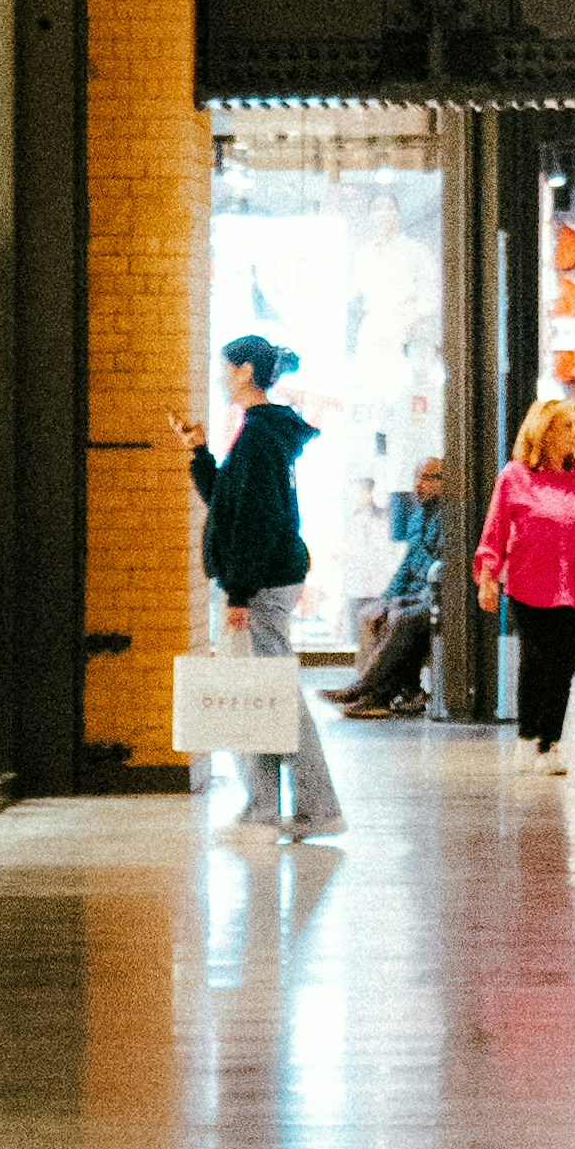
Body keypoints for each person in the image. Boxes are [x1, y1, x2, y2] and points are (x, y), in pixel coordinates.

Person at [171, 330, 344, 843]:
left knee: (271, 699)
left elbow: (255, 521)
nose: (223, 378)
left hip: (262, 585)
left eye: (227, 368)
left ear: (245, 370)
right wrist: (200, 452)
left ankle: (307, 810)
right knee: (264, 697)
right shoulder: (262, 432)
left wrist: (239, 594)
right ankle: (267, 811)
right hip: (269, 579)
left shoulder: (260, 436)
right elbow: (229, 504)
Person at [475, 394, 575, 770]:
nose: (572, 434)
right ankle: (528, 737)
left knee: (563, 668)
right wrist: (488, 577)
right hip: (530, 588)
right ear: (543, 432)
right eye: (564, 427)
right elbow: (494, 533)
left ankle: (551, 741)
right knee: (535, 662)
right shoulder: (515, 477)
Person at [335, 459, 449, 720]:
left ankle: (369, 690)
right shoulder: (418, 516)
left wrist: (417, 567)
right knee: (371, 613)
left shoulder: (451, 519)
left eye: (430, 479)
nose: (420, 486)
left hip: (433, 596)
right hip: (417, 594)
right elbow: (407, 566)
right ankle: (376, 692)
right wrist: (387, 598)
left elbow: (437, 568)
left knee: (401, 618)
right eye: (418, 479)